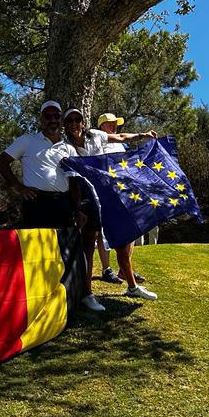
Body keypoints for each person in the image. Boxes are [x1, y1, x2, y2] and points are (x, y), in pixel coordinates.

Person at [0, 101, 105, 311]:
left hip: (63, 204)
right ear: (41, 119)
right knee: (36, 252)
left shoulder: (68, 148)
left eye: (56, 117)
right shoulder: (27, 141)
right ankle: (37, 299)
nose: (52, 120)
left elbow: (73, 183)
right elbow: (1, 162)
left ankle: (77, 297)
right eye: (48, 116)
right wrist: (19, 187)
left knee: (68, 252)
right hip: (36, 204)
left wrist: (77, 209)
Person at [63, 108, 158, 301]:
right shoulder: (65, 146)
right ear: (65, 125)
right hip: (86, 198)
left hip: (107, 195)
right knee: (88, 244)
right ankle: (87, 293)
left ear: (83, 121)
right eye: (70, 120)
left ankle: (132, 286)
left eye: (77, 119)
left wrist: (143, 135)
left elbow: (122, 137)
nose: (74, 123)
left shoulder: (97, 136)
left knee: (123, 241)